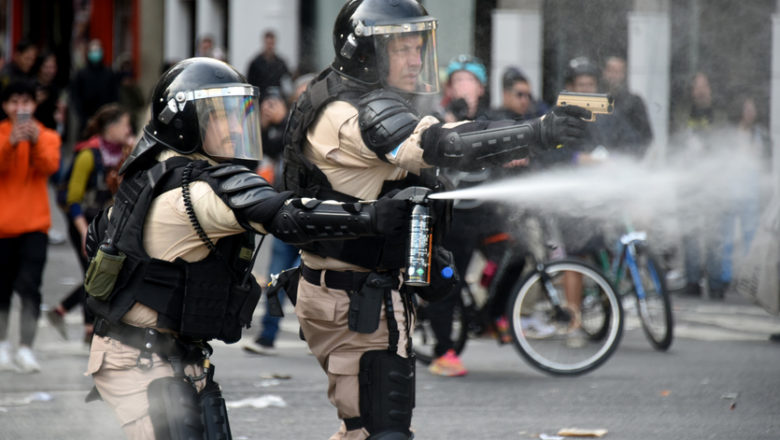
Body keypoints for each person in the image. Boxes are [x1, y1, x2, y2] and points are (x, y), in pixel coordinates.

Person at [282, 0, 589, 437]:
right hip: (360, 300)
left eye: (418, 46)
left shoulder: (332, 92)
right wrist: (536, 133)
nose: (416, 59)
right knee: (381, 432)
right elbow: (442, 144)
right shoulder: (354, 114)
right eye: (402, 48)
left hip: (343, 291)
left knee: (361, 428)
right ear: (366, 51)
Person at [82, 57, 413, 440]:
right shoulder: (195, 191)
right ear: (186, 121)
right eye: (222, 115)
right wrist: (370, 217)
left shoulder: (153, 172)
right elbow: (284, 215)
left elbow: (97, 237)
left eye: (240, 113)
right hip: (140, 360)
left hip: (168, 355)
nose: (238, 125)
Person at [46, 104, 133, 342]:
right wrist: (84, 232)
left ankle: (67, 315)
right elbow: (73, 199)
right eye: (125, 124)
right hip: (83, 222)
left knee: (97, 273)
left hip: (107, 223)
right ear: (111, 127)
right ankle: (86, 328)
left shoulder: (125, 153)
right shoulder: (88, 154)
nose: (129, 129)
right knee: (95, 274)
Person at [243, 77, 314, 356]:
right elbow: (265, 152)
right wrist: (262, 123)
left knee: (311, 280)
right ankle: (267, 335)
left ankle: (316, 334)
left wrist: (284, 120)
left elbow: (303, 143)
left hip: (313, 216)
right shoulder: (282, 127)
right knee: (276, 277)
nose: (302, 102)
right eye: (297, 97)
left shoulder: (321, 125)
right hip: (287, 213)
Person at [0, 80, 61, 372]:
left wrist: (34, 141)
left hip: (35, 226)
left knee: (30, 289)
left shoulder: (47, 136)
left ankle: (26, 347)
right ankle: (2, 345)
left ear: (34, 105)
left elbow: (50, 167)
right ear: (5, 106)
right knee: (1, 290)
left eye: (26, 102)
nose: (20, 108)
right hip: (2, 227)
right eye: (14, 102)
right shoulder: (1, 134)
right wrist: (11, 142)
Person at [673, 72, 729, 298]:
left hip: (713, 181)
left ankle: (716, 285)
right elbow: (676, 142)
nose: (700, 90)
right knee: (690, 233)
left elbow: (726, 145)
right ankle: (692, 282)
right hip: (689, 180)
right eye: (696, 86)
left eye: (704, 85)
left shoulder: (720, 114)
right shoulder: (683, 113)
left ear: (710, 89)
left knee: (714, 233)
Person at [599, 56, 653, 157]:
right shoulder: (596, 99)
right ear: (604, 73)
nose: (614, 75)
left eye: (618, 71)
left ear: (624, 74)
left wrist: (633, 156)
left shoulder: (634, 102)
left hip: (625, 159)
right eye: (611, 70)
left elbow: (646, 135)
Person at [70, 39, 119, 135]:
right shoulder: (81, 74)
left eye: (97, 50)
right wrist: (83, 118)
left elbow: (115, 96)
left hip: (106, 122)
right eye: (92, 51)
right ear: (88, 53)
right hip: (86, 122)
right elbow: (75, 97)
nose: (95, 53)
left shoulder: (109, 73)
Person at [246, 30, 292, 98]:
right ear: (264, 43)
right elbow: (250, 84)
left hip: (278, 99)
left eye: (272, 43)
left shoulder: (281, 63)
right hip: (260, 99)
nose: (270, 46)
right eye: (268, 43)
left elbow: (286, 81)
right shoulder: (255, 64)